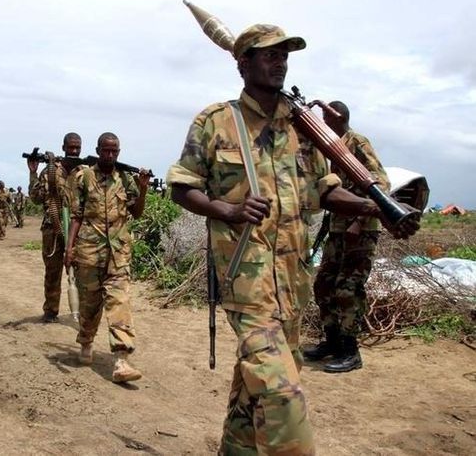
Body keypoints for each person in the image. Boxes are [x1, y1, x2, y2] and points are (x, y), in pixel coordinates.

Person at [166, 23, 418, 454]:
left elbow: (325, 190)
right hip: (246, 282)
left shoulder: (304, 128)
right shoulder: (216, 121)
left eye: (285, 55)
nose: (280, 62)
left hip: (294, 282)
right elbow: (182, 186)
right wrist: (227, 209)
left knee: (259, 385)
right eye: (269, 55)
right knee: (282, 392)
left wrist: (376, 207)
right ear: (243, 63)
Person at [303, 101, 390, 373]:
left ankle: (351, 351)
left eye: (327, 115)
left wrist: (359, 220)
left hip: (361, 230)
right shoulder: (331, 147)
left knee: (348, 289)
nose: (324, 120)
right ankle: (332, 342)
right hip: (338, 229)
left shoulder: (357, 142)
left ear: (339, 116)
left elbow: (382, 182)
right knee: (324, 286)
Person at [64, 132, 150, 383]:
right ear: (98, 150)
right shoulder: (84, 177)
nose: (110, 155)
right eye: (106, 151)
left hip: (118, 253)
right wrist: (70, 249)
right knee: (90, 305)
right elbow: (76, 216)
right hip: (89, 252)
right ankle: (86, 341)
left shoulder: (125, 179)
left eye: (114, 151)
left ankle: (121, 360)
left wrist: (142, 189)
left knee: (119, 301)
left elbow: (137, 213)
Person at [28, 132, 82, 323]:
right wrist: (33, 172)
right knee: (52, 271)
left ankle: (82, 311)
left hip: (78, 230)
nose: (74, 151)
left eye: (77, 148)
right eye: (71, 147)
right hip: (53, 228)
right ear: (63, 148)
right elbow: (35, 198)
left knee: (81, 271)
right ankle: (51, 310)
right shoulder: (50, 170)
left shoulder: (85, 172)